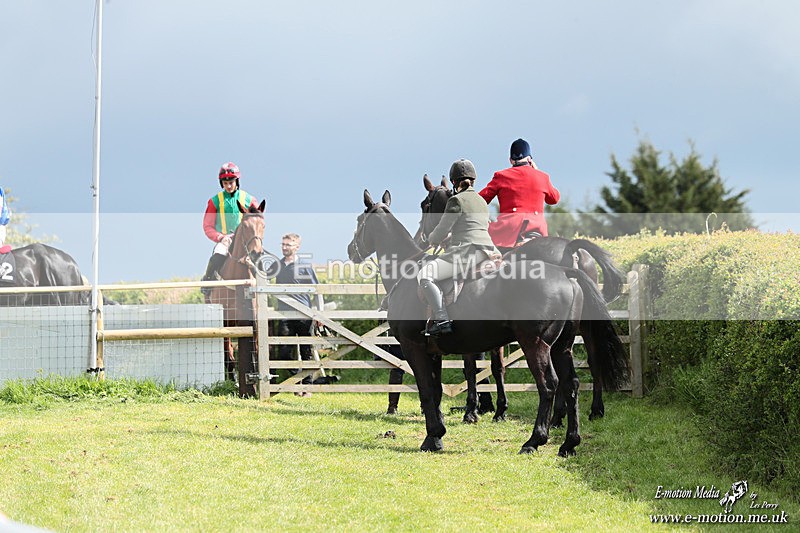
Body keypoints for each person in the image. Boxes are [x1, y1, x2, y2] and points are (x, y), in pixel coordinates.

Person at [418, 159, 499, 336]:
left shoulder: (456, 200)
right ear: (473, 180)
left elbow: (440, 231)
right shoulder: (481, 201)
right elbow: (473, 227)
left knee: (425, 274)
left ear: (454, 182)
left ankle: (442, 319)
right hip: (489, 250)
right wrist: (451, 237)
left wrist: (433, 239)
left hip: (467, 252)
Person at [478, 138, 560, 253]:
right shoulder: (543, 177)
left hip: (509, 230)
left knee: (480, 245)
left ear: (511, 160)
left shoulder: (501, 176)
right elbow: (554, 199)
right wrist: (537, 171)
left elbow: (480, 201)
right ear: (530, 159)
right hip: (538, 228)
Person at [274, 233, 323, 395]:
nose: (284, 247)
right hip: (284, 315)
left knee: (306, 351)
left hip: (304, 314)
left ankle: (306, 387)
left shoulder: (304, 266)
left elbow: (317, 291)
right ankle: (297, 381)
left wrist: (319, 314)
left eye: (288, 245)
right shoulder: (277, 265)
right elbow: (261, 276)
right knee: (284, 352)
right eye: (283, 244)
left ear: (297, 247)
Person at [201, 162, 260, 295]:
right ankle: (207, 282)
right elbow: (207, 226)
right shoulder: (214, 201)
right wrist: (221, 237)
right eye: (225, 183)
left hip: (246, 241)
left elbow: (258, 220)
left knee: (260, 259)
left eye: (231, 182)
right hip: (225, 241)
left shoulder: (249, 199)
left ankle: (264, 285)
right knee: (216, 257)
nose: (228, 186)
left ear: (237, 181)